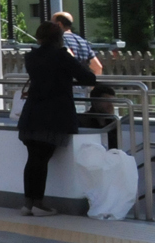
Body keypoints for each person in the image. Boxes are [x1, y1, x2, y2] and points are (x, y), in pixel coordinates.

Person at [16, 21, 97, 216]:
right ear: (59, 38)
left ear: (39, 37)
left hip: (31, 114)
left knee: (33, 159)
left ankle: (28, 203)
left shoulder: (31, 57)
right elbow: (88, 79)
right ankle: (38, 203)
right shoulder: (61, 56)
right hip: (53, 116)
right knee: (42, 159)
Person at [52, 12, 104, 98]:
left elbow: (69, 59)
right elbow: (98, 67)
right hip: (83, 93)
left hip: (66, 91)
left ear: (59, 24)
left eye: (52, 23)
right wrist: (92, 89)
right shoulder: (82, 41)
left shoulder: (59, 40)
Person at [79, 84, 121, 151]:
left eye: (112, 101)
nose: (110, 105)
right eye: (106, 101)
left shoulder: (113, 122)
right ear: (95, 102)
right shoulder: (83, 121)